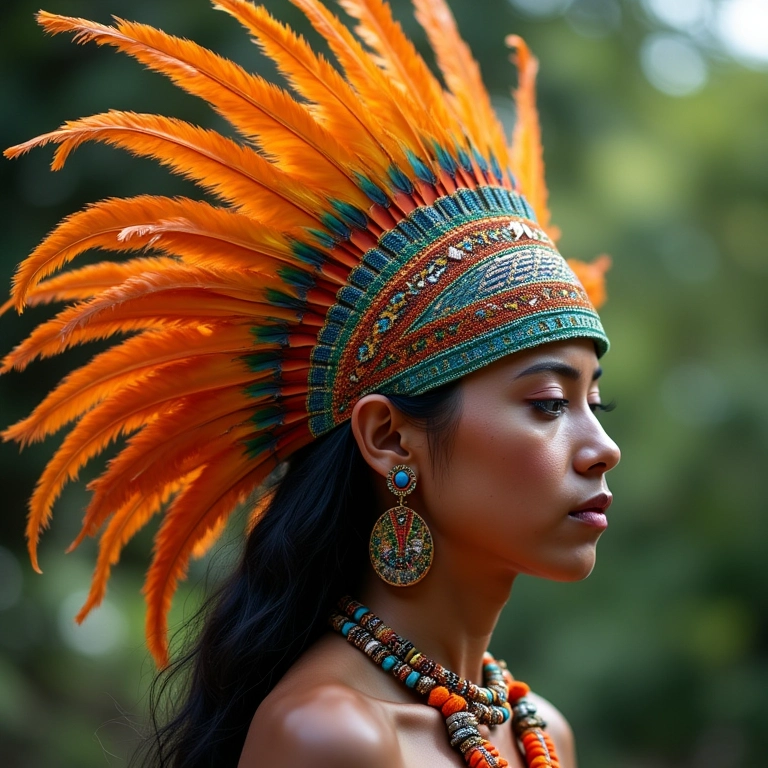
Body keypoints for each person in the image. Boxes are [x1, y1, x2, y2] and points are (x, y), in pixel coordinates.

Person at [2, 0, 620, 766]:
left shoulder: (541, 734)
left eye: (597, 402)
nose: (603, 448)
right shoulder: (332, 738)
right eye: (549, 404)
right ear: (389, 436)